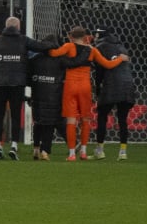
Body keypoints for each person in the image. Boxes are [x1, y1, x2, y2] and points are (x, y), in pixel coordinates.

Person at [0, 16, 56, 159]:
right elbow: (41, 46)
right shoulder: (24, 40)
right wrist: (55, 44)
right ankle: (14, 146)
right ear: (18, 27)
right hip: (17, 83)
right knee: (14, 115)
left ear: (6, 27)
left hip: (0, 82)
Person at [49, 27, 129, 161]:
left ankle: (72, 154)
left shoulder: (68, 46)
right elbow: (108, 64)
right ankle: (84, 152)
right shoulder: (92, 50)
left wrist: (47, 46)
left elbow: (53, 54)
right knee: (85, 119)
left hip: (70, 86)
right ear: (85, 37)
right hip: (85, 87)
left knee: (71, 120)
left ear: (71, 37)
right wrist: (120, 59)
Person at [93, 27, 137, 161]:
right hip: (127, 85)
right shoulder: (121, 47)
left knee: (102, 116)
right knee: (123, 119)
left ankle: (100, 150)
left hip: (111, 84)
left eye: (95, 35)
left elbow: (100, 69)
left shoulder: (100, 47)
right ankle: (123, 152)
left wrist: (97, 87)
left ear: (99, 35)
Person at [28, 35, 66, 161]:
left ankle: (36, 149)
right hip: (53, 95)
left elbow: (28, 78)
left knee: (38, 122)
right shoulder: (60, 60)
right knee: (49, 123)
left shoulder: (34, 59)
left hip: (37, 94)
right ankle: (45, 151)